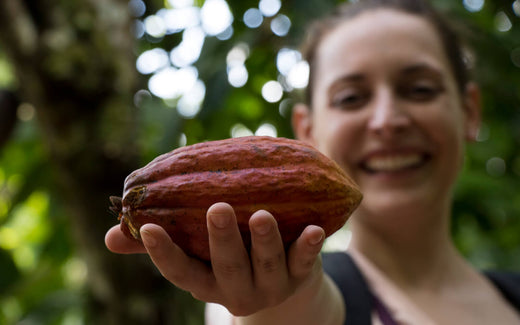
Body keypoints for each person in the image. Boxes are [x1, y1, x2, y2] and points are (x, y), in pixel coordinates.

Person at [105, 0, 520, 324]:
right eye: (351, 98)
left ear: (470, 111)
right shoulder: (307, 290)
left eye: (421, 89)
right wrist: (273, 307)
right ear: (306, 130)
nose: (388, 121)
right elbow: (289, 313)